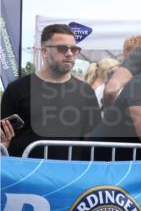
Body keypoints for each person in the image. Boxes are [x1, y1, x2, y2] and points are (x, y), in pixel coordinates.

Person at [1, 24, 101, 158]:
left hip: (71, 174)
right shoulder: (16, 89)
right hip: (25, 174)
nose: (69, 53)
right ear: (44, 52)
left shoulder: (86, 91)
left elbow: (93, 140)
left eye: (74, 49)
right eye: (62, 48)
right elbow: (4, 138)